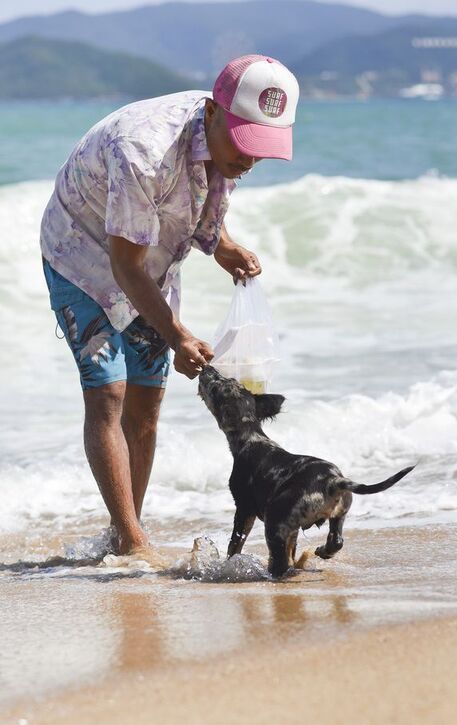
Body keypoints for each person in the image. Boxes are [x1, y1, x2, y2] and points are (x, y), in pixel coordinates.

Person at [40, 54, 299, 555]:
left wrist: (221, 244)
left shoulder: (224, 145)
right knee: (108, 390)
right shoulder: (144, 150)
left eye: (261, 148)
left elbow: (205, 188)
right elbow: (125, 267)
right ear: (212, 112)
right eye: (243, 144)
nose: (249, 160)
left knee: (147, 400)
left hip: (148, 259)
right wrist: (177, 335)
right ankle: (133, 540)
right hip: (83, 252)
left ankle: (123, 535)